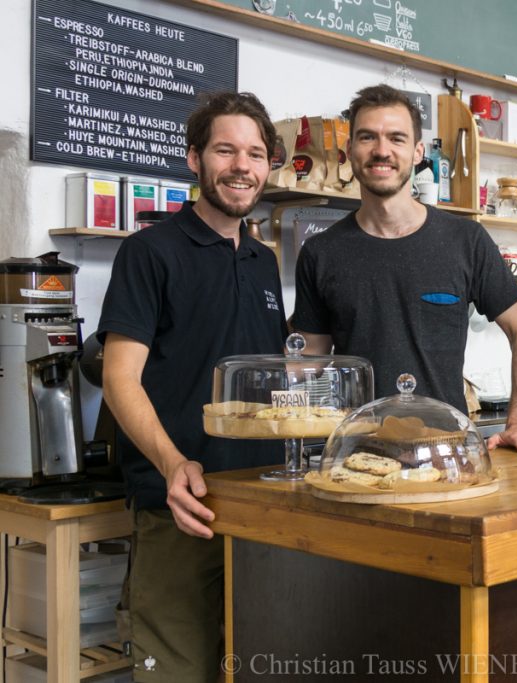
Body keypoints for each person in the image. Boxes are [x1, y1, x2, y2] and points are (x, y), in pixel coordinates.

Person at [98, 91, 287, 683]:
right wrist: (174, 463)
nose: (242, 166)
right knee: (176, 672)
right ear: (194, 160)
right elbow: (118, 377)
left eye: (255, 153)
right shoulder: (149, 252)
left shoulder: (263, 260)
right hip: (183, 503)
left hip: (265, 502)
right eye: (225, 149)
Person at [291, 84, 517, 454]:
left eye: (396, 138)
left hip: (449, 455)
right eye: (367, 137)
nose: (382, 150)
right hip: (357, 456)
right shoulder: (321, 253)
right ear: (349, 151)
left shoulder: (466, 240)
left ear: (417, 153)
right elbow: (309, 363)